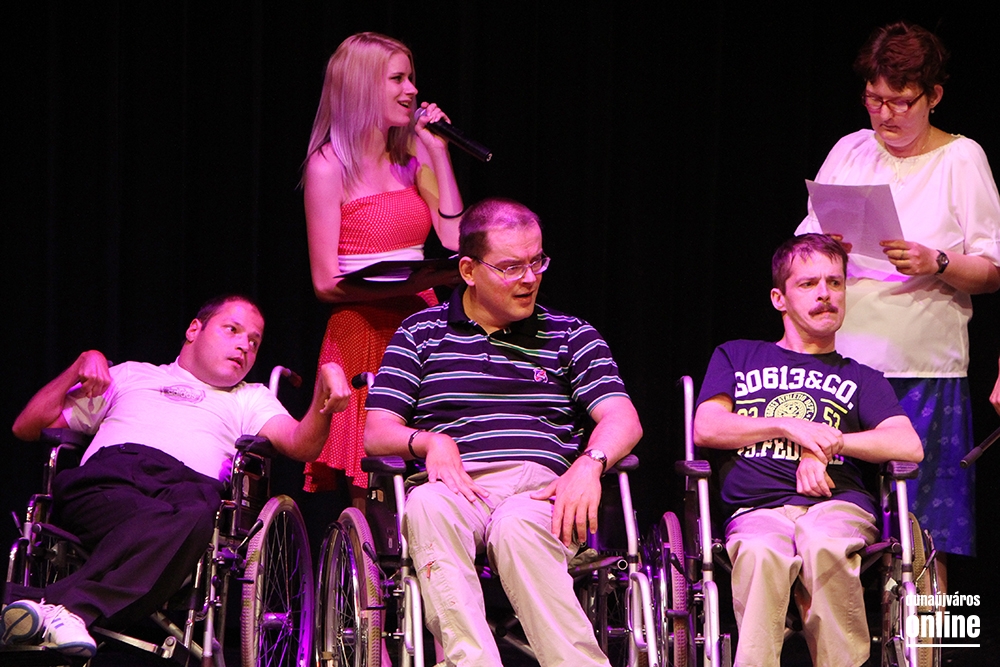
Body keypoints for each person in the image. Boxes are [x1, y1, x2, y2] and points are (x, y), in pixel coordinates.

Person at [363, 198, 643, 667]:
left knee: (515, 528)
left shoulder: (570, 335)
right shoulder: (420, 333)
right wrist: (430, 440)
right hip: (455, 484)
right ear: (468, 270)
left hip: (539, 491)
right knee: (427, 505)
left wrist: (589, 465)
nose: (529, 278)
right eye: (512, 267)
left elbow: (623, 418)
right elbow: (377, 431)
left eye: (537, 261)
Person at [1, 295, 351, 658]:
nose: (244, 345)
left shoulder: (250, 397)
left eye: (254, 341)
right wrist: (79, 365)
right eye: (232, 330)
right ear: (194, 329)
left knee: (197, 516)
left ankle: (54, 607)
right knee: (175, 523)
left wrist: (322, 399)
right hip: (110, 480)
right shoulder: (131, 374)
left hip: (186, 493)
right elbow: (27, 426)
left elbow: (301, 444)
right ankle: (68, 607)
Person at [796, 22, 1000, 574]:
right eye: (874, 99)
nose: (885, 114)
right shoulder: (850, 150)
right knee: (833, 516)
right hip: (843, 370)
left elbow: (991, 270)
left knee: (925, 524)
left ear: (933, 95)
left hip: (923, 370)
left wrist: (938, 262)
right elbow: (802, 245)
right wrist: (827, 248)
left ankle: (929, 628)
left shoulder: (962, 159)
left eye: (900, 102)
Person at [693, 234, 923, 667]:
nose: (825, 294)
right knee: (761, 554)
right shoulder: (738, 356)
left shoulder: (862, 377)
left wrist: (830, 441)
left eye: (835, 283)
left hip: (837, 506)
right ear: (779, 299)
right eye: (808, 284)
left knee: (823, 544)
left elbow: (907, 444)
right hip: (757, 507)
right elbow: (707, 427)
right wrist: (788, 425)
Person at [302, 32, 465, 502]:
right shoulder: (328, 166)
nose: (412, 89)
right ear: (361, 86)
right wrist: (402, 286)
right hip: (363, 328)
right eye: (397, 79)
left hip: (421, 322)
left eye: (411, 77)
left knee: (434, 465)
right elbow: (325, 283)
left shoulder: (413, 157)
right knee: (372, 485)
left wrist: (438, 151)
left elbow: (454, 239)